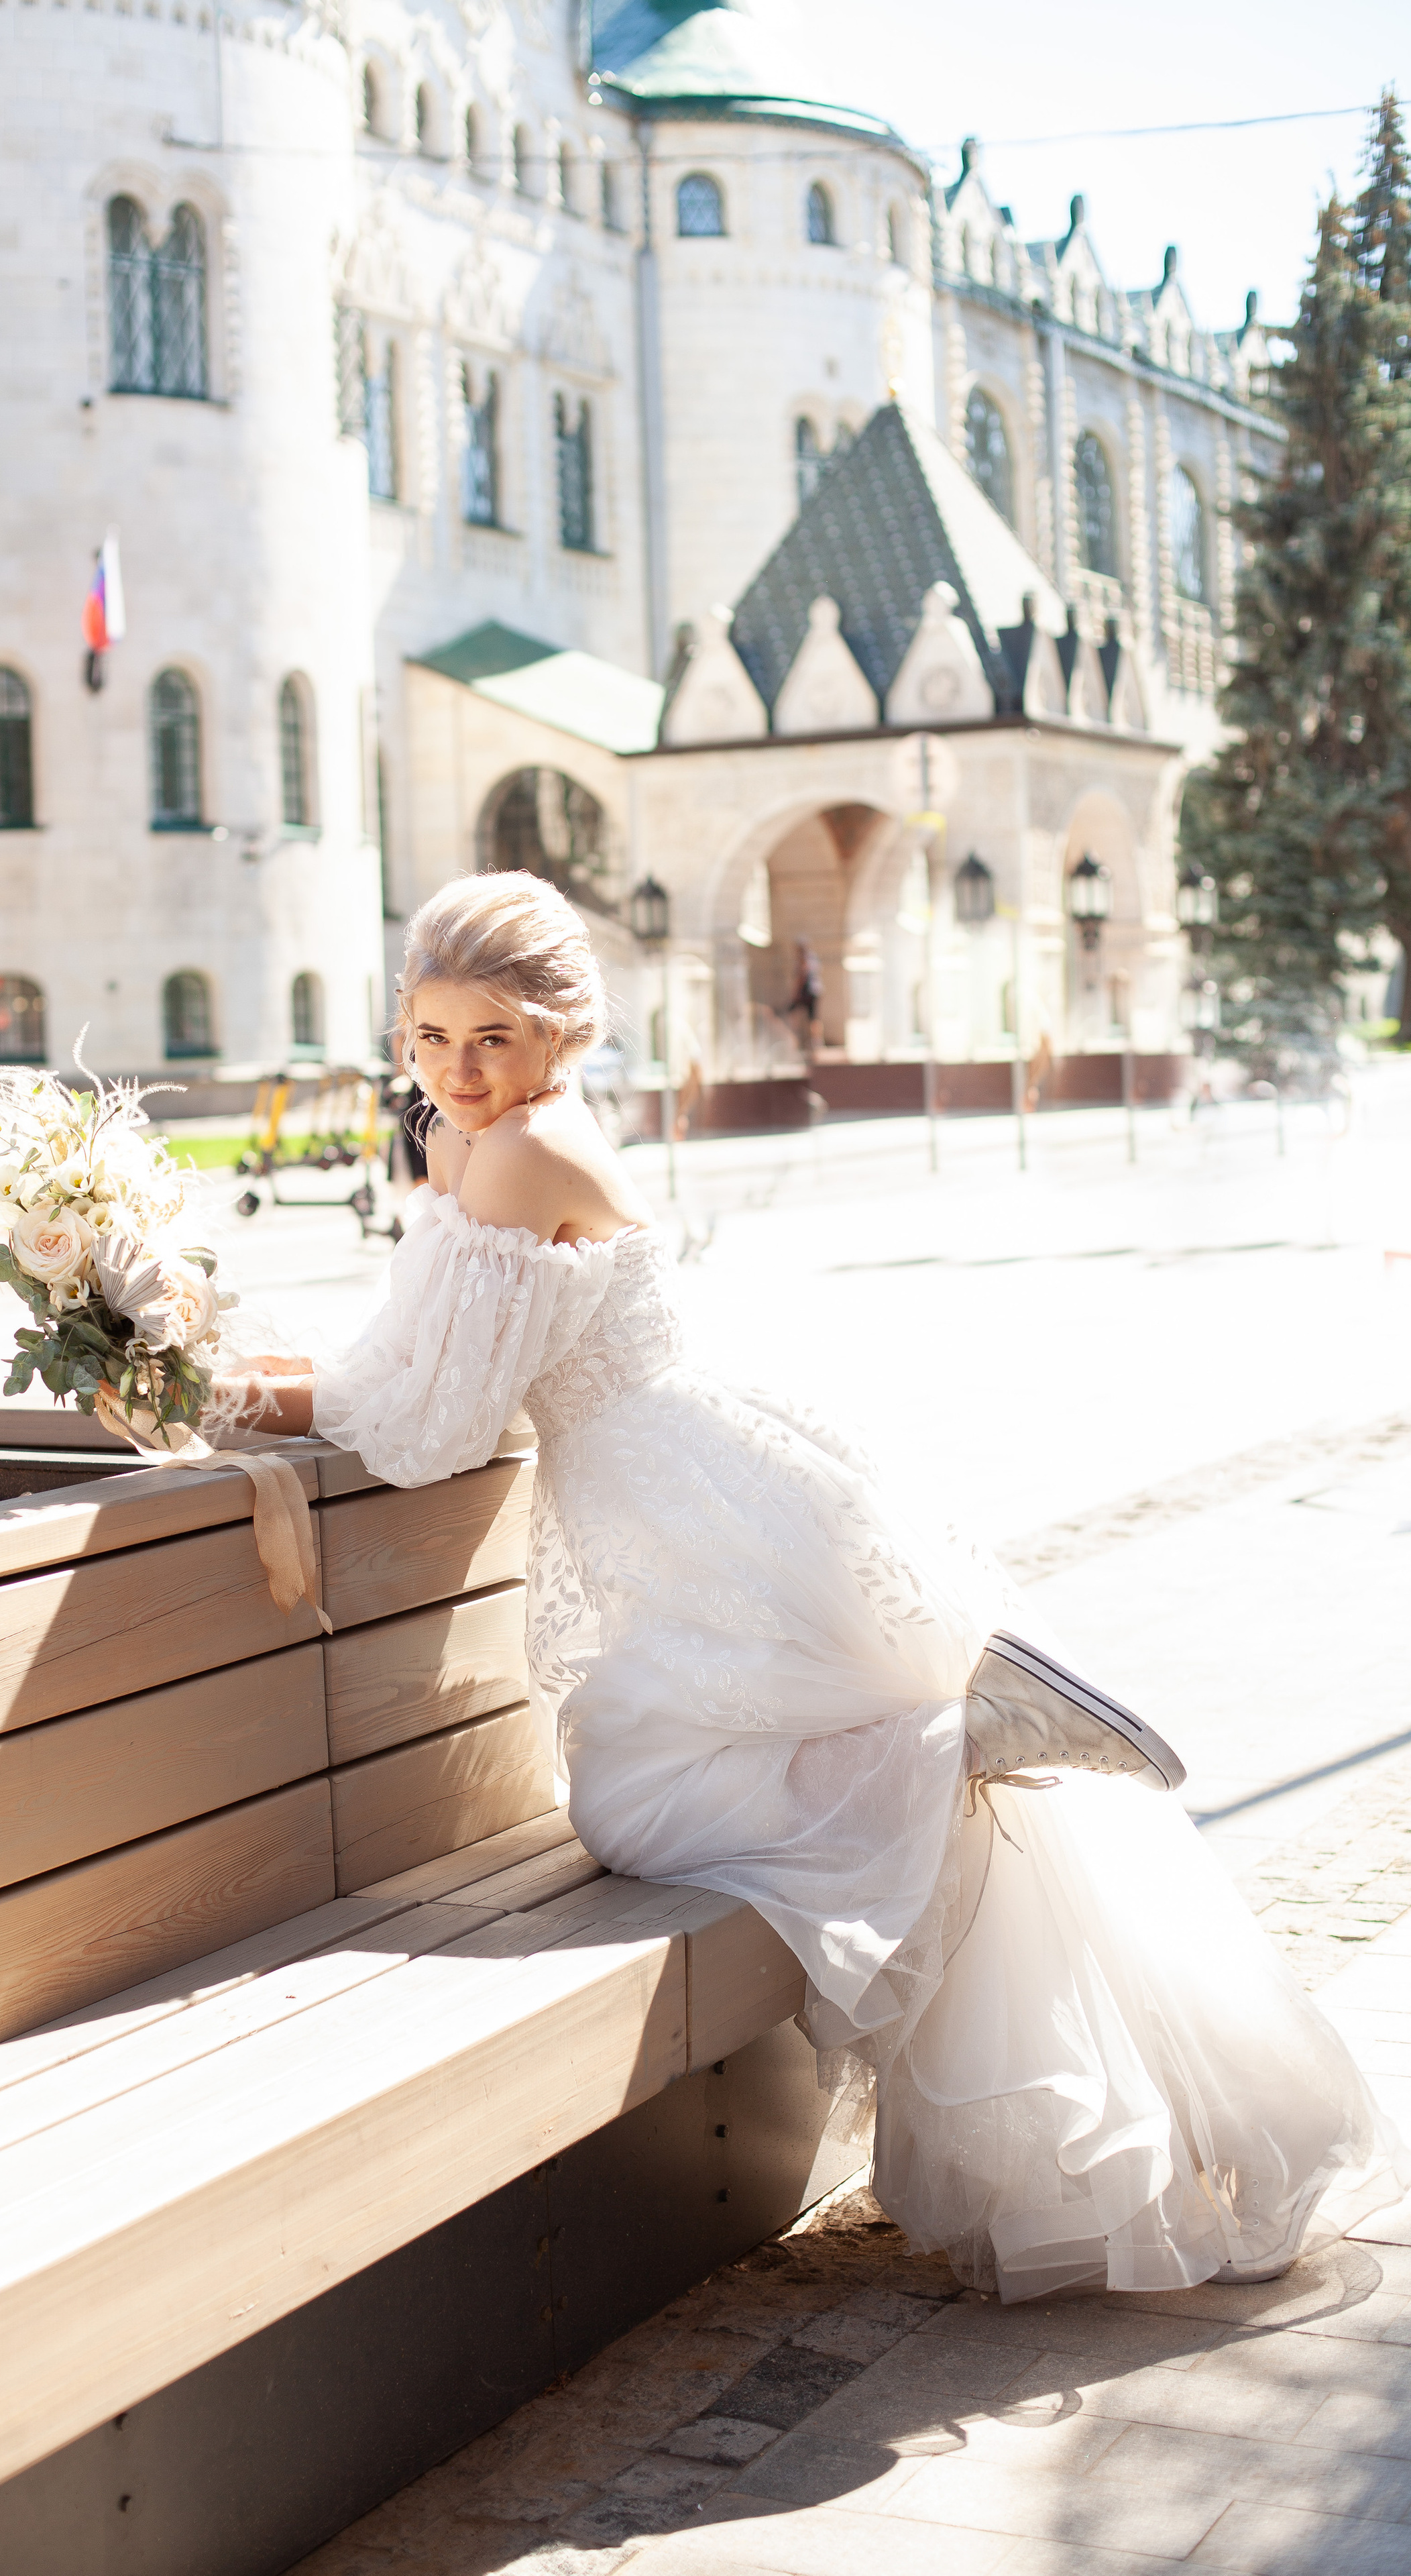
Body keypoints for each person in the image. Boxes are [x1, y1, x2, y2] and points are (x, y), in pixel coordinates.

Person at [215, 872, 1408, 2303]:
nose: (455, 1071)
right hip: (701, 1479)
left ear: (558, 1033)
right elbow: (407, 1365)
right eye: (428, 1037)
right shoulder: (500, 1139)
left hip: (685, 1508)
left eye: (491, 1037)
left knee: (638, 1810)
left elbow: (433, 1424)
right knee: (655, 1798)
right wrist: (239, 1369)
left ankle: (945, 1740)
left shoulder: (518, 1154)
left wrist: (227, 1395)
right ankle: (951, 1734)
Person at [788, 938, 824, 1056]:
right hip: (814, 991)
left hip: (807, 992)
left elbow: (802, 976)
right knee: (812, 1018)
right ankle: (815, 1042)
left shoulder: (804, 959)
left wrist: (796, 992)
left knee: (794, 1014)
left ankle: (797, 1040)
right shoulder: (813, 958)